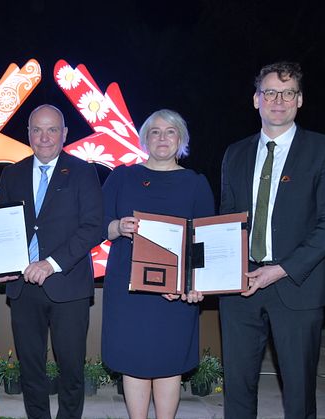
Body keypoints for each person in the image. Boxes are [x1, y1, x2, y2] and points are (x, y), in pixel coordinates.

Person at [219, 61, 325, 418]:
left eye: (288, 92)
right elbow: (228, 220)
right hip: (240, 287)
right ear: (256, 99)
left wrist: (281, 270)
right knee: (238, 386)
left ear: (300, 99)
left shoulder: (324, 150)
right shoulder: (235, 153)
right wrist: (219, 272)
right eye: (270, 92)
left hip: (298, 286)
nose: (279, 100)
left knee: (298, 391)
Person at [101, 109, 214, 419]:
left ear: (181, 139)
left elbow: (204, 241)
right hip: (129, 290)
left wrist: (191, 285)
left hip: (174, 295)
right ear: (144, 138)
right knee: (134, 361)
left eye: (170, 131)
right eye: (155, 131)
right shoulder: (122, 177)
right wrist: (117, 227)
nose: (162, 137)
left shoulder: (195, 183)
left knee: (169, 363)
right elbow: (97, 224)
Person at [0, 104, 103, 419]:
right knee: (30, 369)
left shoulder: (83, 171)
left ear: (64, 134)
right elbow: (4, 225)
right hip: (22, 288)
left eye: (52, 129)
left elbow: (93, 226)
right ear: (28, 133)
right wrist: (1, 265)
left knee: (71, 369)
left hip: (67, 285)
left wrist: (51, 263)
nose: (44, 137)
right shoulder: (11, 173)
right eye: (37, 130)